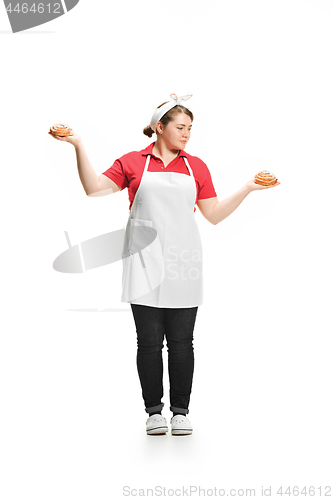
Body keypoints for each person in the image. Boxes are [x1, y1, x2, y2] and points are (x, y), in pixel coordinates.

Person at [50, 94, 280, 436]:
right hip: (143, 262)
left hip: (184, 261)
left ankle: (181, 412)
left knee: (182, 342)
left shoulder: (196, 166)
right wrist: (78, 145)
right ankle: (154, 412)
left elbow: (213, 215)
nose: (187, 134)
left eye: (190, 128)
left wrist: (247, 188)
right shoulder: (132, 162)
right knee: (148, 342)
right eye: (180, 127)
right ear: (160, 127)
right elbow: (94, 190)